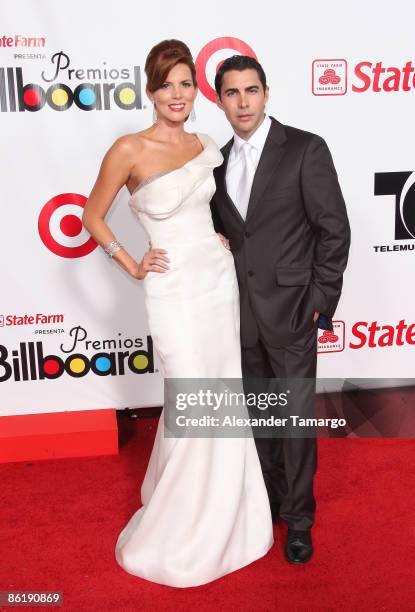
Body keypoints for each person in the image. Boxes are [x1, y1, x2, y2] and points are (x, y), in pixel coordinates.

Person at [81, 40, 273, 588]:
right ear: (151, 90)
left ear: (196, 91)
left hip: (216, 281)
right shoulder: (129, 149)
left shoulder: (207, 144)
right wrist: (131, 263)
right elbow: (92, 217)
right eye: (167, 84)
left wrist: (212, 235)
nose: (177, 94)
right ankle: (180, 527)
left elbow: (209, 209)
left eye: (186, 83)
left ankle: (226, 516)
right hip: (173, 291)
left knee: (221, 392)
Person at [210, 55, 351, 564]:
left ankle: (299, 521)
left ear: (267, 93)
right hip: (240, 315)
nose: (243, 101)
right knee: (259, 419)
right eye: (232, 93)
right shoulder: (217, 160)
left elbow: (334, 230)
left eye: (251, 90)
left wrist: (319, 302)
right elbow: (224, 234)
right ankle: (268, 503)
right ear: (220, 100)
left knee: (293, 422)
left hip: (294, 311)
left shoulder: (305, 149)